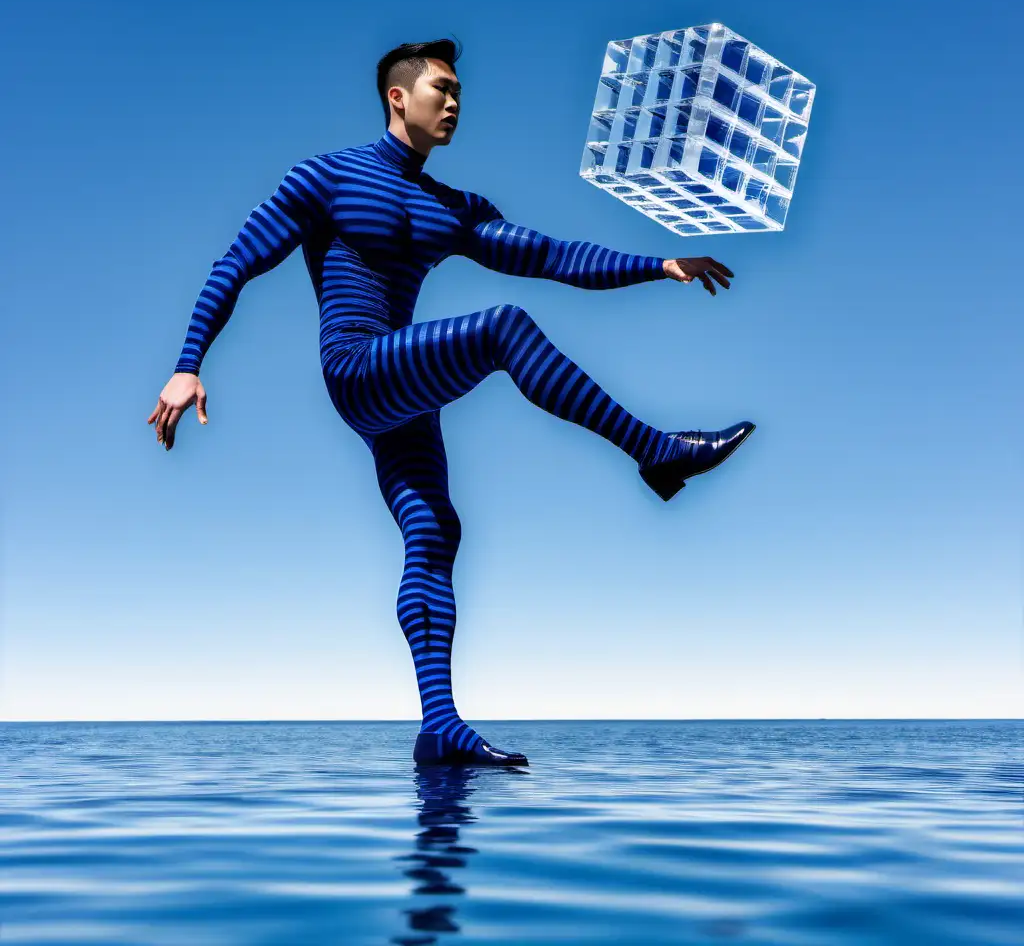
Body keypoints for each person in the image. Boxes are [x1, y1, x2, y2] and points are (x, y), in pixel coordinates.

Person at [147, 37, 755, 767]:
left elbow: (551, 257)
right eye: (443, 88)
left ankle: (440, 729)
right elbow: (236, 262)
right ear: (398, 97)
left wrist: (658, 264)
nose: (456, 103)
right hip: (357, 369)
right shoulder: (327, 179)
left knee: (437, 534)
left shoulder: (454, 210)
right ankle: (655, 452)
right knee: (500, 329)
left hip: (406, 396)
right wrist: (188, 366)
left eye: (461, 92)